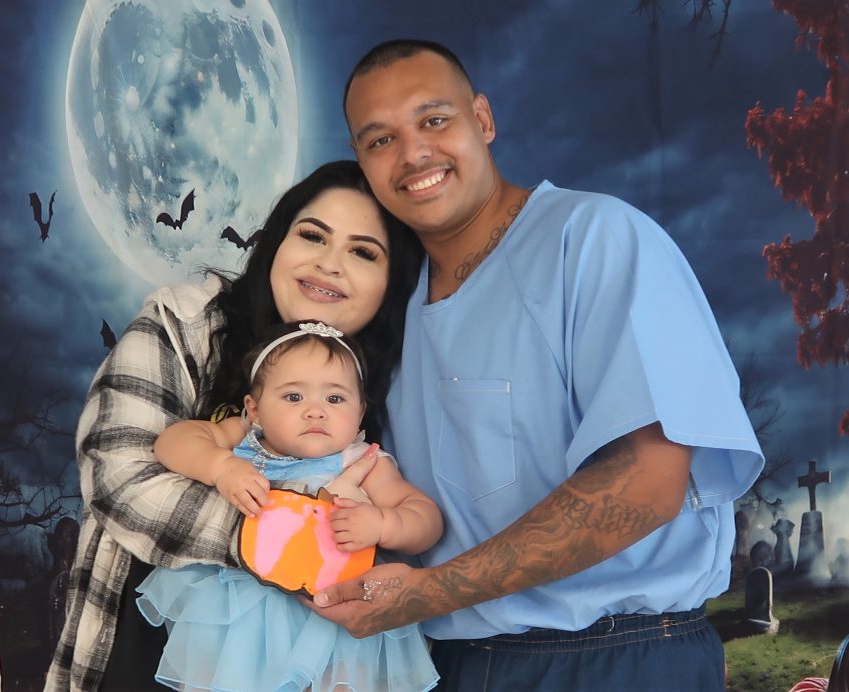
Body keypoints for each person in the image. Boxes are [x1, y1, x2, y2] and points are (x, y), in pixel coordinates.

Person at [304, 39, 766, 691]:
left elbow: (647, 482)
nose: (413, 155)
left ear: (483, 120)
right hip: (449, 665)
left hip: (616, 660)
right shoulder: (384, 308)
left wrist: (432, 593)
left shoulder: (595, 239)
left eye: (434, 120)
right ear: (362, 161)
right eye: (379, 140)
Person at [45, 160, 424, 691]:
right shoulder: (186, 324)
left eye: (363, 251)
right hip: (155, 647)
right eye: (312, 235)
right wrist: (289, 542)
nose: (329, 264)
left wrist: (382, 535)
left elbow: (420, 521)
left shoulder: (400, 378)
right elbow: (119, 473)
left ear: (392, 283)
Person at [135, 321, 442, 691]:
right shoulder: (246, 441)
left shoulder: (363, 462)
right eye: (294, 397)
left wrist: (383, 523)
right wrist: (220, 466)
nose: (316, 411)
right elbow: (172, 441)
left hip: (332, 615)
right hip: (240, 607)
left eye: (335, 398)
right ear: (255, 409)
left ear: (360, 412)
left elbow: (425, 517)